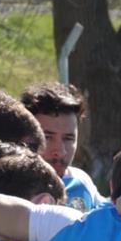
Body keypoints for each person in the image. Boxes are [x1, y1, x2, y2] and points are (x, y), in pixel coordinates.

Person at [20, 82, 106, 211]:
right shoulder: (6, 191)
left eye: (68, 139)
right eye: (47, 137)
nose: (60, 151)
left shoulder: (80, 182)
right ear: (23, 137)